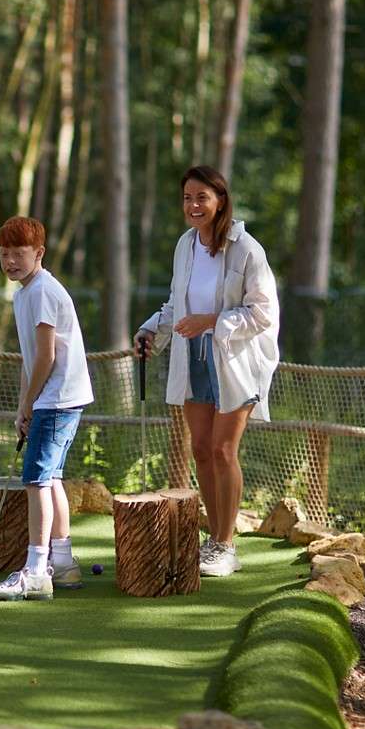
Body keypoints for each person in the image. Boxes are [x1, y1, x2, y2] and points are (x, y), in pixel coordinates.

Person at [133, 166, 279, 578]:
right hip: (191, 355)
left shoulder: (248, 249)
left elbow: (263, 313)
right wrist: (151, 331)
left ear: (220, 201)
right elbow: (177, 303)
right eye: (187, 198)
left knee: (222, 450)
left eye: (202, 198)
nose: (193, 206)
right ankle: (212, 540)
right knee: (199, 449)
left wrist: (212, 322)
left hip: (235, 362)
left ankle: (226, 545)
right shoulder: (185, 246)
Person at [0, 216, 94, 601]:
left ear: (39, 254)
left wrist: (33, 404)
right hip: (54, 398)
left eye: (19, 253)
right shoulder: (24, 293)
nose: (11, 261)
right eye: (4, 254)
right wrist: (22, 409)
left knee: (36, 481)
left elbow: (47, 357)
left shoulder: (44, 291)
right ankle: (62, 564)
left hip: (58, 397)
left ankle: (35, 571)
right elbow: (30, 360)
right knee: (52, 478)